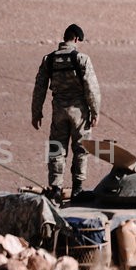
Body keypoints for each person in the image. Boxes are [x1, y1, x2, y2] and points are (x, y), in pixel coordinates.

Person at [31, 23, 101, 203]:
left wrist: (36, 112)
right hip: (79, 112)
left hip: (58, 110)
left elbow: (40, 87)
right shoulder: (81, 58)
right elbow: (91, 88)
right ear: (76, 39)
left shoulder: (50, 59)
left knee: (57, 148)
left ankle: (55, 188)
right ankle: (77, 189)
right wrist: (95, 111)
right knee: (81, 149)